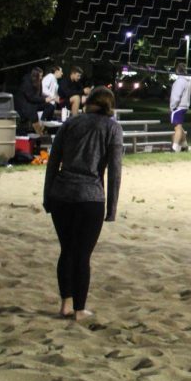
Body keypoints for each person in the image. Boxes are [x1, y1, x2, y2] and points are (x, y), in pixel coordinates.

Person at [42, 86, 123, 321]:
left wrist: (48, 196)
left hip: (62, 195)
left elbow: (53, 162)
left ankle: (65, 305)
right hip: (90, 197)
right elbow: (115, 171)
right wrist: (112, 207)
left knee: (67, 251)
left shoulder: (71, 124)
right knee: (82, 255)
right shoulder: (112, 128)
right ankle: (79, 309)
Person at [16, 67, 52, 138]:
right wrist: (44, 100)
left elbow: (37, 96)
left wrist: (45, 100)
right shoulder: (27, 82)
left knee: (50, 106)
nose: (41, 78)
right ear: (36, 76)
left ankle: (42, 123)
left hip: (33, 102)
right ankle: (39, 133)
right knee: (32, 110)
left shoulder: (38, 81)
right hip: (24, 104)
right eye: (40, 76)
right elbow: (31, 97)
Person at [168, 62, 191, 153]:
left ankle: (174, 147)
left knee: (177, 127)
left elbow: (176, 96)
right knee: (180, 127)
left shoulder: (179, 81)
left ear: (177, 70)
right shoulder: (188, 81)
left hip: (178, 107)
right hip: (184, 106)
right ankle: (184, 145)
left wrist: (172, 107)